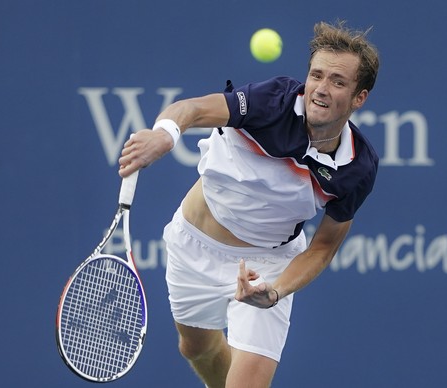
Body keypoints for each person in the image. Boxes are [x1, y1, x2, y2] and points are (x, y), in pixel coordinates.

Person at [119, 20, 380, 388]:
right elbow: (192, 109)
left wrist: (275, 291)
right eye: (316, 76)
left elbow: (324, 246)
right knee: (195, 349)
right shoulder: (271, 102)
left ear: (359, 97)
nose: (321, 90)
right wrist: (165, 134)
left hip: (268, 263)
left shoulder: (358, 168)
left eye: (338, 81)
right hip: (195, 243)